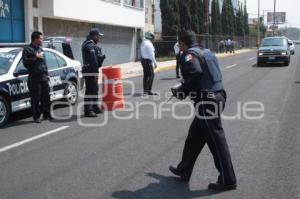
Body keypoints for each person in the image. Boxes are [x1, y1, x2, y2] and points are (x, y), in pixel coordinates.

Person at [169, 30, 237, 191]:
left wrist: (181, 91)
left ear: (184, 44)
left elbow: (196, 73)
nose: (180, 48)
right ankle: (184, 169)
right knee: (194, 137)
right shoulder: (206, 52)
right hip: (216, 97)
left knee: (216, 141)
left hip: (207, 102)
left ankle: (228, 179)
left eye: (180, 45)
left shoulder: (189, 55)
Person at [22, 31, 51, 123]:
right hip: (34, 78)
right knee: (36, 98)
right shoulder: (27, 49)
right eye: (41, 38)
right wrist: (35, 57)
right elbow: (25, 63)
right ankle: (36, 117)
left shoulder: (41, 49)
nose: (42, 40)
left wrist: (47, 75)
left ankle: (47, 115)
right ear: (35, 39)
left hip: (43, 76)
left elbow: (44, 63)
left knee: (46, 97)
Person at [81, 28, 106, 117]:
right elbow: (93, 60)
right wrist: (95, 73)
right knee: (90, 90)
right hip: (90, 71)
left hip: (92, 70)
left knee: (95, 90)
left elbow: (97, 59)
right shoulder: (89, 45)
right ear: (95, 36)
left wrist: (101, 57)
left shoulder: (93, 45)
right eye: (98, 36)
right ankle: (88, 111)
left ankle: (95, 107)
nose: (99, 38)